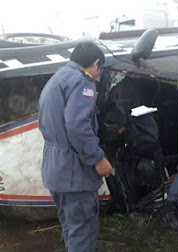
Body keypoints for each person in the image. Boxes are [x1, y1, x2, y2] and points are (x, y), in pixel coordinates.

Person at [38, 41, 112, 252]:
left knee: (71, 228)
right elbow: (77, 125)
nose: (99, 74)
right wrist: (98, 158)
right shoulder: (83, 83)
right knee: (83, 232)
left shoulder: (57, 78)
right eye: (101, 68)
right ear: (96, 63)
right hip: (74, 173)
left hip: (55, 169)